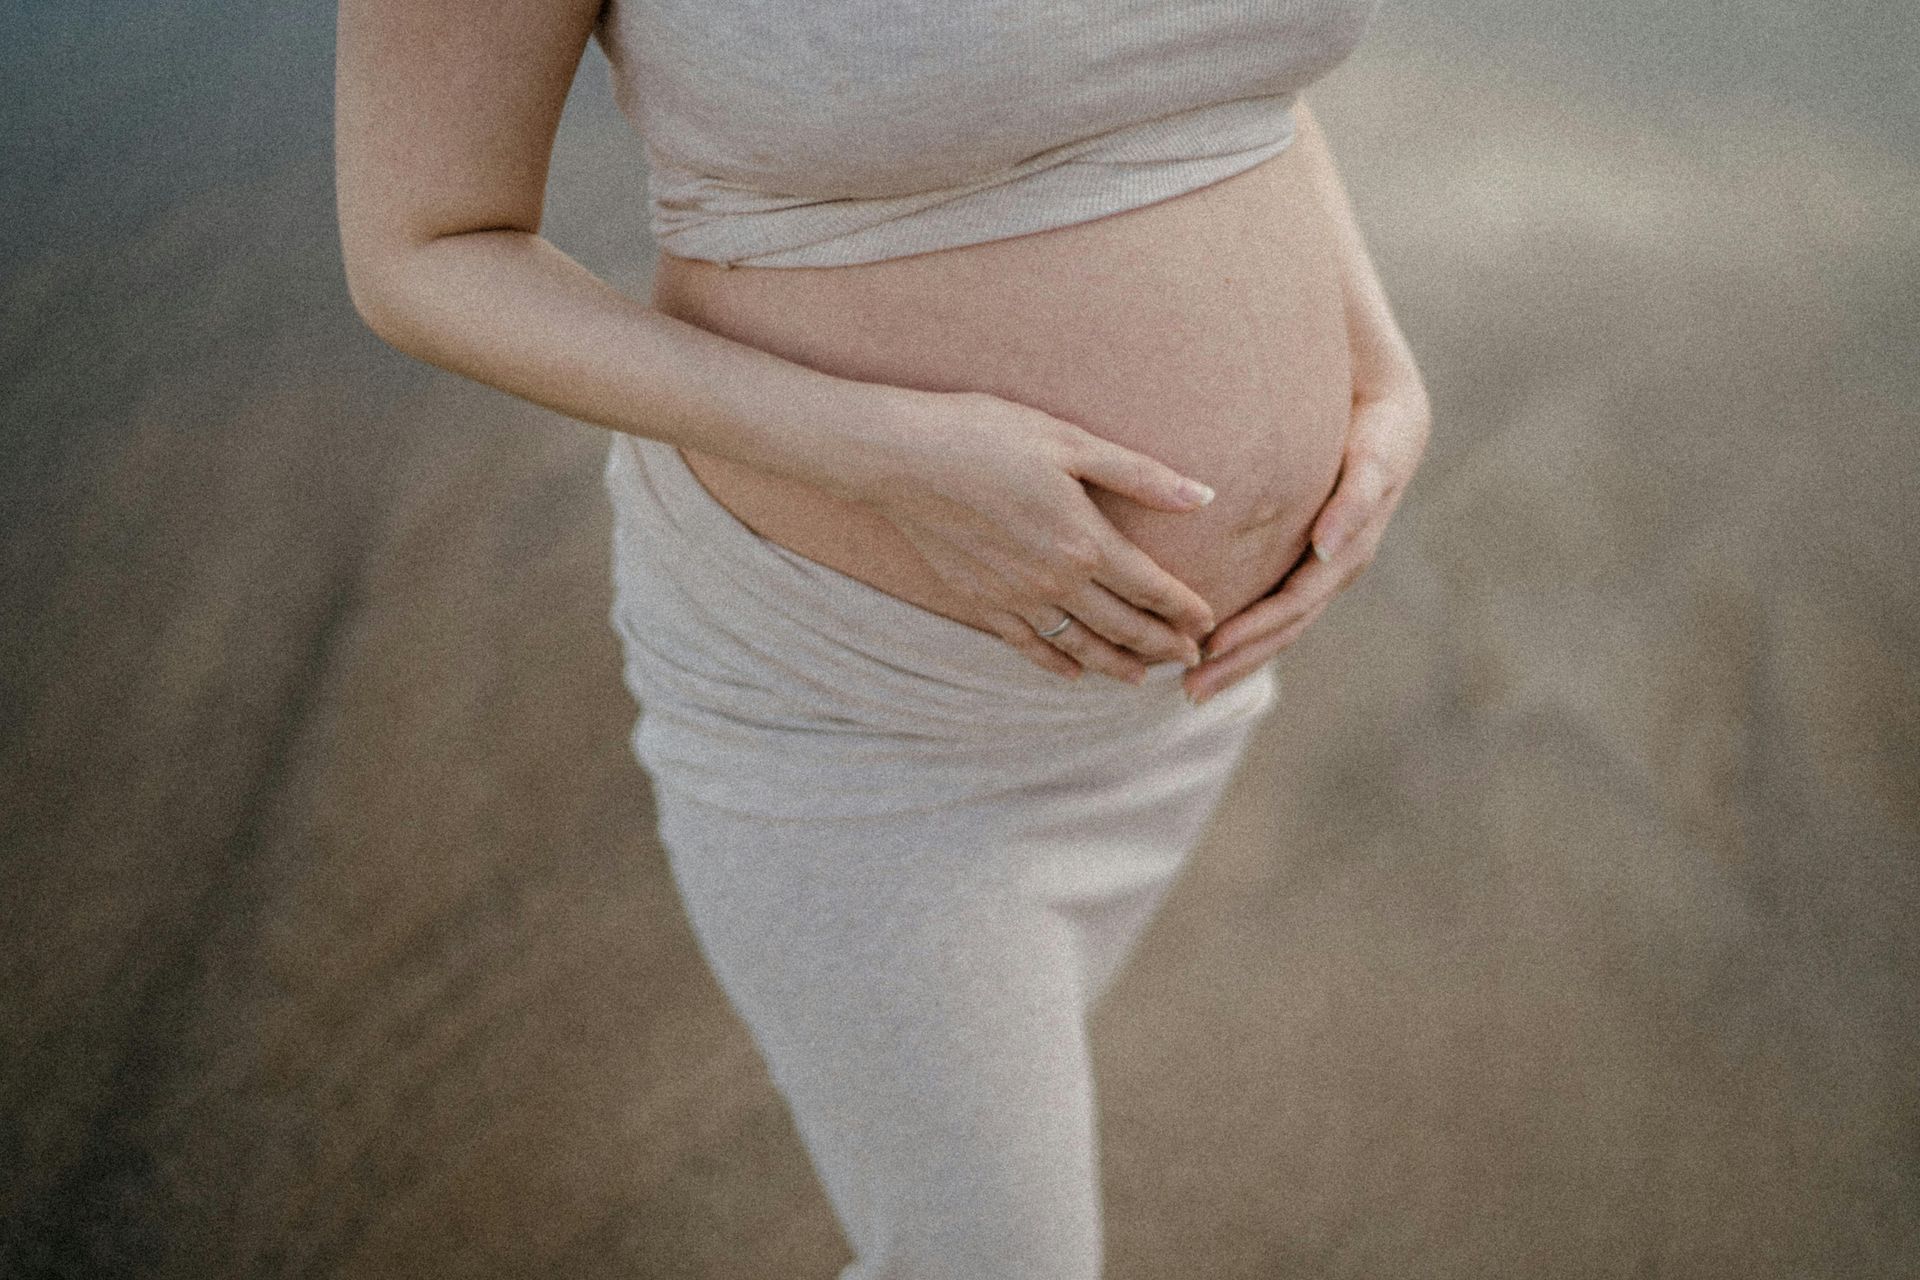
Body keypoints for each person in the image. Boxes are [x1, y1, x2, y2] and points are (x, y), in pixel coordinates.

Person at [336, 1, 1431, 1275]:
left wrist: (1382, 366)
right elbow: (421, 251)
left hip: (1184, 704)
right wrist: (888, 458)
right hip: (856, 720)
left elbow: (1226, 89)